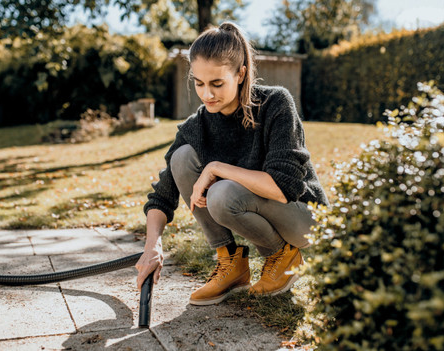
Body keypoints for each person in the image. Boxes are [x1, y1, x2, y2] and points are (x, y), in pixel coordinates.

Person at [135, 21, 329, 306]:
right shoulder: (198, 124)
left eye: (217, 83)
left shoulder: (275, 103)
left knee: (221, 194)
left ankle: (282, 255)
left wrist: (216, 168)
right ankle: (231, 262)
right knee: (181, 157)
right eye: (199, 83)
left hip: (303, 216)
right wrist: (153, 245)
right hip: (255, 203)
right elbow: (163, 194)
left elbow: (283, 187)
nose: (206, 95)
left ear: (240, 74)